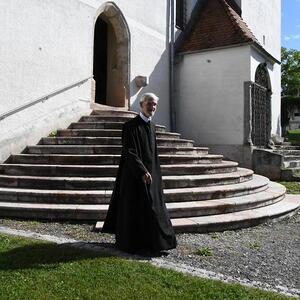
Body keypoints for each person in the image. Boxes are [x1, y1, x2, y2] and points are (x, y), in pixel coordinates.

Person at [102, 93, 177, 254]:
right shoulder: (130, 126)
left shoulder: (152, 126)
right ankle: (133, 244)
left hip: (151, 175)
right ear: (142, 105)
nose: (153, 107)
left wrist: (155, 174)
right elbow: (129, 151)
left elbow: (153, 153)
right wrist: (142, 171)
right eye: (150, 104)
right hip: (134, 176)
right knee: (135, 209)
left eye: (155, 104)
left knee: (154, 208)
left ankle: (154, 243)